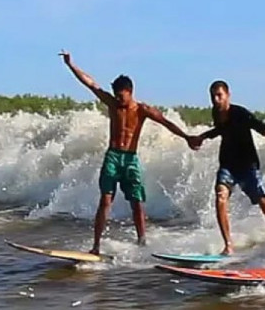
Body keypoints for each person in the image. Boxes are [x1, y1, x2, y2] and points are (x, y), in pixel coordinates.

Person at [60, 50, 197, 255]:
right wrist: (71, 65)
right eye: (115, 94)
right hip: (113, 156)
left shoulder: (143, 110)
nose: (118, 99)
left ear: (130, 91)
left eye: (121, 95)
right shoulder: (112, 104)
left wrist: (186, 137)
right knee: (105, 200)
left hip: (131, 159)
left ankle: (142, 243)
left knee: (137, 203)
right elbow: (90, 84)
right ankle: (96, 246)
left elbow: (166, 122)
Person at [190, 80, 265, 254]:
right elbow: (221, 130)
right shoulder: (216, 113)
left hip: (248, 165)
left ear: (228, 95)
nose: (216, 100)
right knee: (220, 196)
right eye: (213, 96)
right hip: (228, 164)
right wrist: (203, 136)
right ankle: (228, 245)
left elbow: (255, 123)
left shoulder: (240, 113)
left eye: (219, 96)